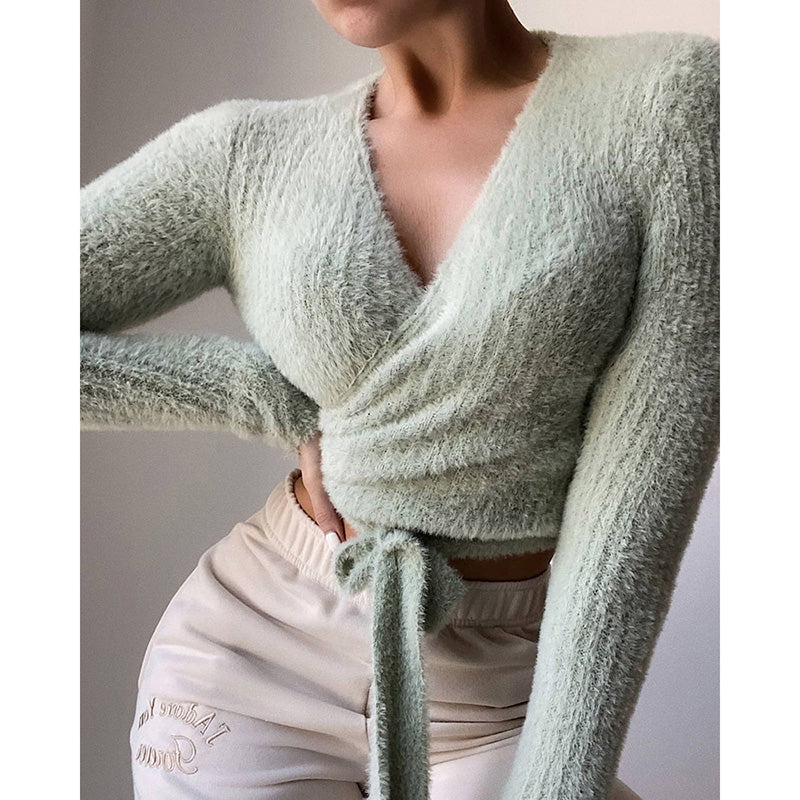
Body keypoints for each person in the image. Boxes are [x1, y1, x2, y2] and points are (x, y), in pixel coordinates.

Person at [80, 2, 719, 799]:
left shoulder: (669, 103)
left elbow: (638, 506)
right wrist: (252, 394)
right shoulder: (246, 155)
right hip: (249, 660)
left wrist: (559, 784)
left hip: (495, 690)